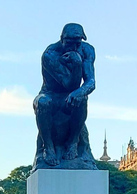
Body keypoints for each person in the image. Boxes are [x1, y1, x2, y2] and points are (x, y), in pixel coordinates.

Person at [33, 23, 96, 169]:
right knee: (43, 102)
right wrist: (76, 64)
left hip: (71, 95)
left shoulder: (87, 50)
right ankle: (48, 148)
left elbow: (91, 82)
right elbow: (69, 84)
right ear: (62, 39)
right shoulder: (50, 54)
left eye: (77, 43)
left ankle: (73, 142)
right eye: (69, 43)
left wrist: (80, 91)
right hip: (51, 94)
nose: (73, 47)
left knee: (81, 98)